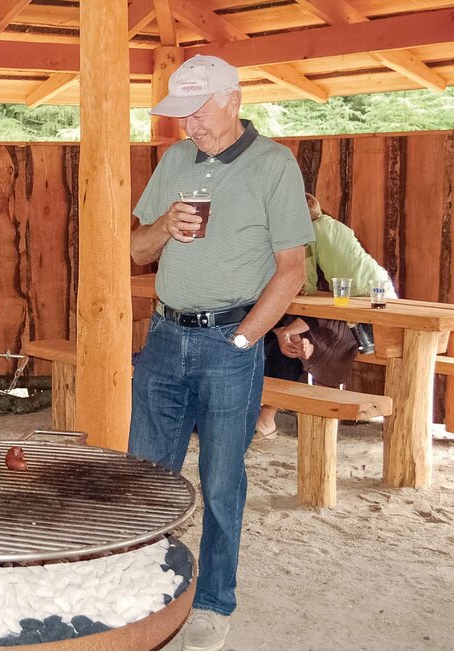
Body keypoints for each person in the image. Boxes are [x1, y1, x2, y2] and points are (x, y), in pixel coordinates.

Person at [129, 55, 313, 651]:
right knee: (146, 477)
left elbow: (292, 269)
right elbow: (136, 249)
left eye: (199, 111)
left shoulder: (274, 165)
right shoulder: (174, 160)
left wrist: (244, 338)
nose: (190, 126)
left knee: (220, 481)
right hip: (164, 338)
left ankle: (212, 603)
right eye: (182, 114)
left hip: (228, 343)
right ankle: (146, 593)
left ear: (233, 100)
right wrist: (164, 226)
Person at [255, 193, 396, 438]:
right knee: (310, 328)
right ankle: (293, 342)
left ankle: (294, 347)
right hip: (380, 287)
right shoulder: (335, 226)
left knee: (314, 326)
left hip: (359, 298)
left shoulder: (309, 233)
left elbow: (305, 277)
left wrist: (300, 289)